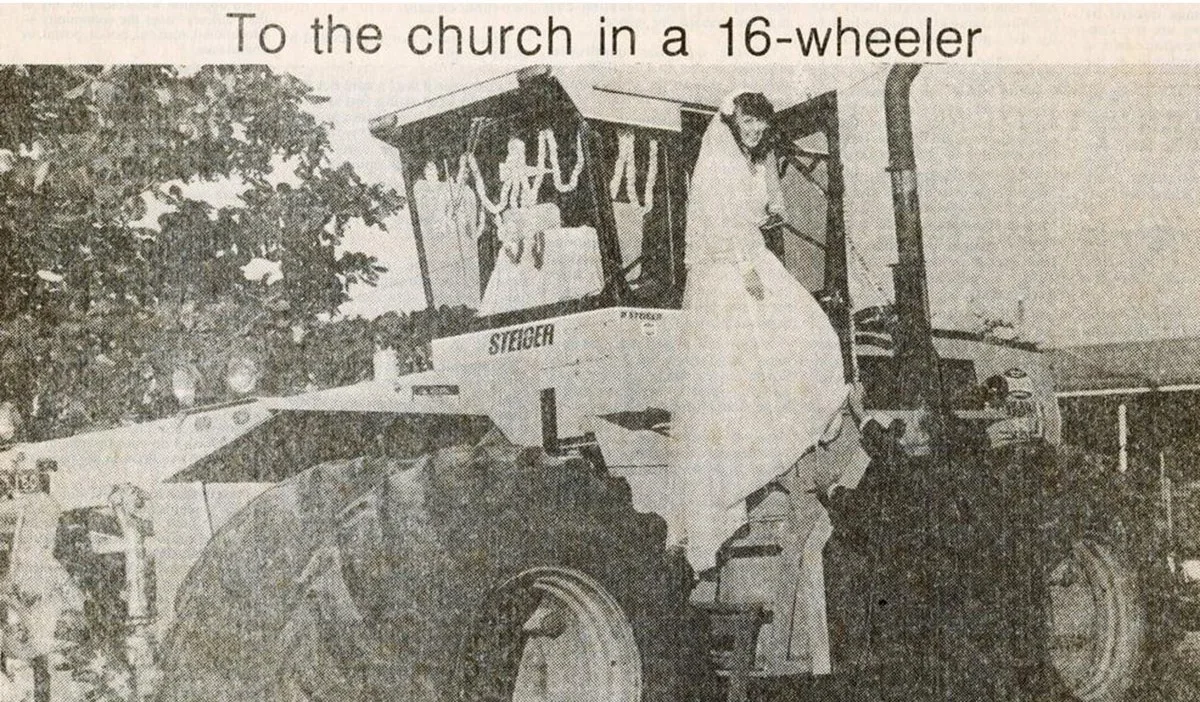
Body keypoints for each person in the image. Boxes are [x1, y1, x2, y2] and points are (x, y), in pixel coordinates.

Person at [668, 91, 854, 573]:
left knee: (803, 332)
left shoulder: (750, 160)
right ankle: (764, 450)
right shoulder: (718, 162)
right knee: (800, 331)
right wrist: (741, 265)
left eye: (760, 124)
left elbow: (760, 209)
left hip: (748, 255)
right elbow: (713, 218)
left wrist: (769, 210)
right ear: (734, 120)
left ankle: (805, 418)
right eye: (748, 121)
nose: (753, 130)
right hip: (732, 266)